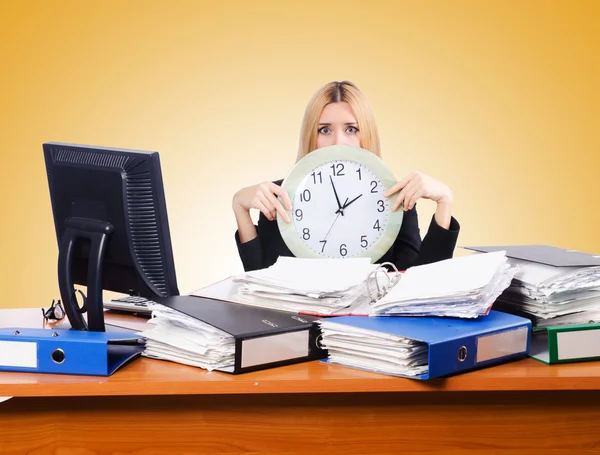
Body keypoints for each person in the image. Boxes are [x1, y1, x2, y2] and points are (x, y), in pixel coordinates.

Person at [232, 80, 460, 272]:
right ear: (311, 135)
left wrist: (444, 201)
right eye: (325, 130)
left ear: (366, 135)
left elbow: (418, 284)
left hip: (366, 325)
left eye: (351, 129)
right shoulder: (278, 196)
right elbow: (260, 279)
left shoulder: (396, 198)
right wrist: (240, 206)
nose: (338, 142)